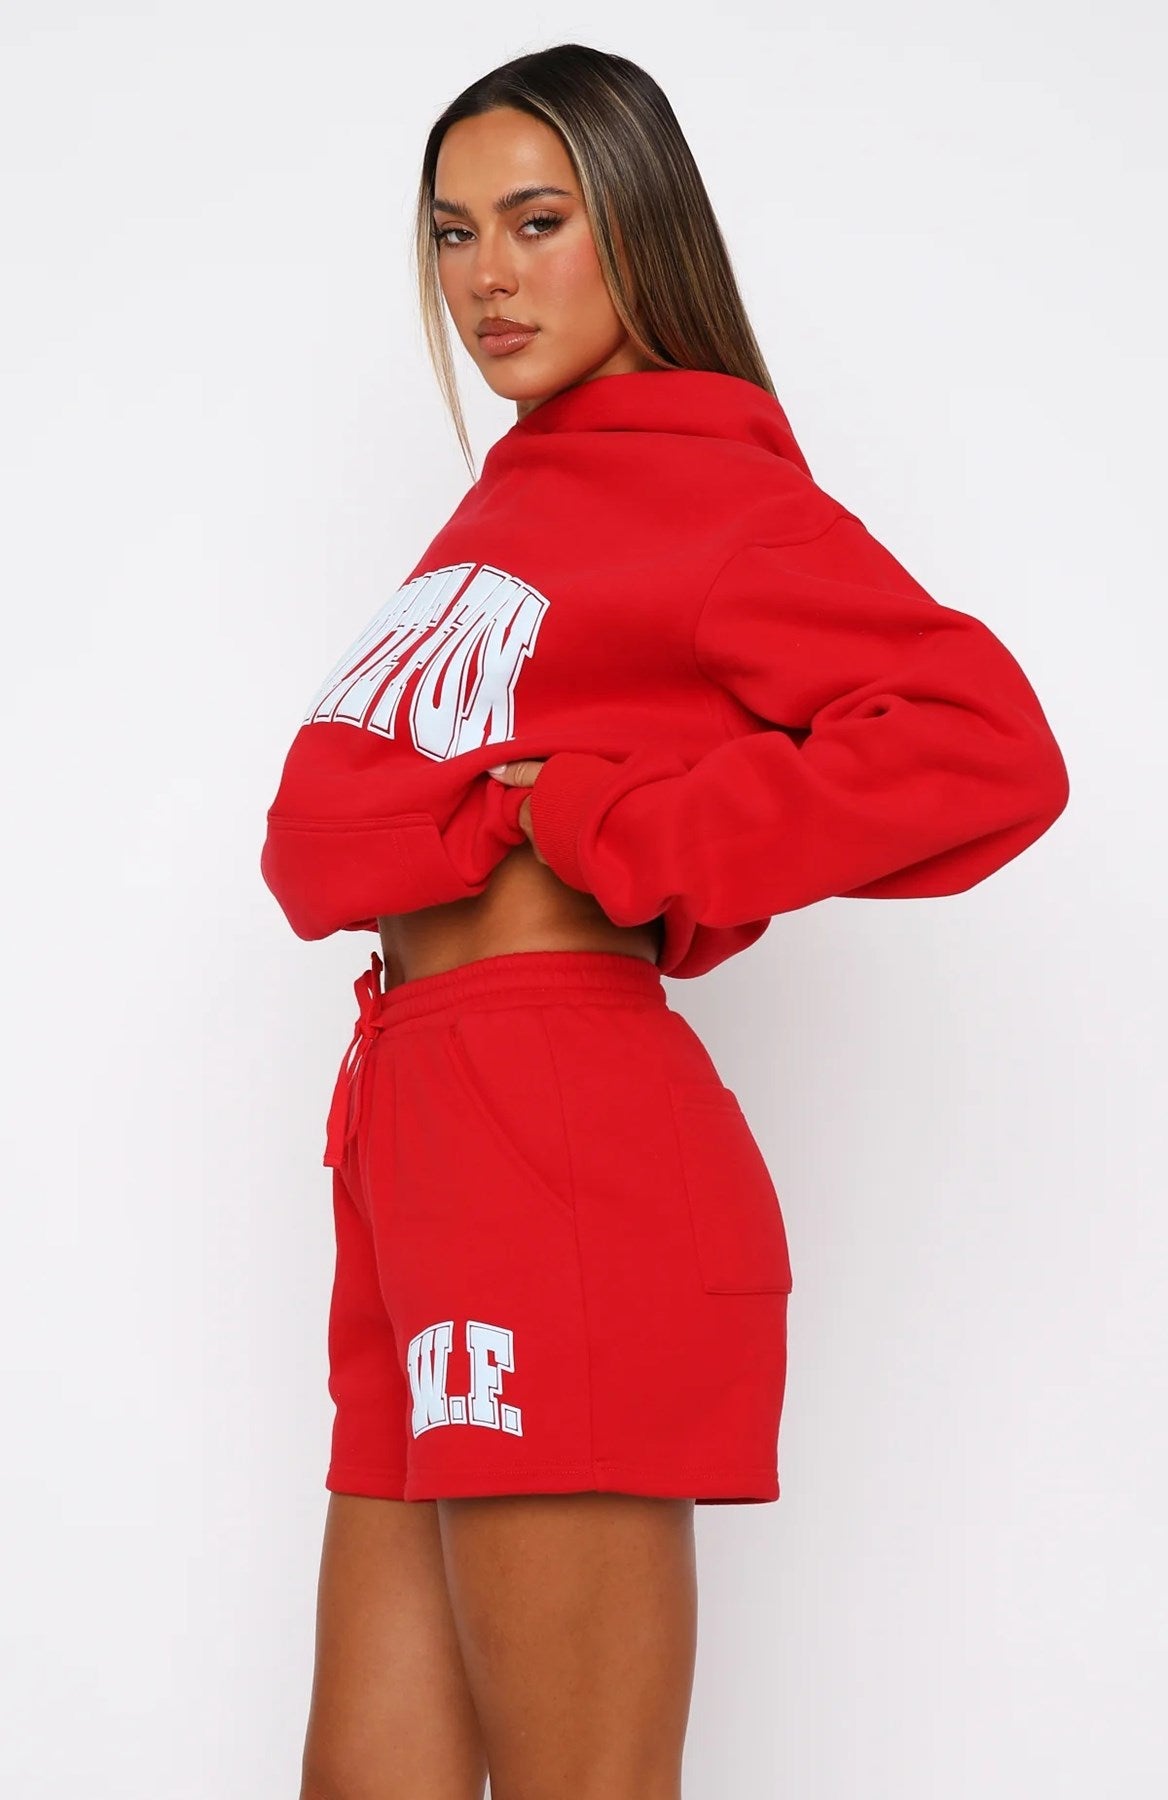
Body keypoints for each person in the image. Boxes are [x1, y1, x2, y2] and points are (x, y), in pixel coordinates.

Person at [260, 43, 1071, 1800]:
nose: (487, 277)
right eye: (454, 233)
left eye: (536, 222)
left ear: (636, 225)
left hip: (558, 1142)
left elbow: (986, 749)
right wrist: (499, 818)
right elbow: (315, 841)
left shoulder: (713, 491)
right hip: (411, 1144)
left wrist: (626, 826)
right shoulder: (502, 509)